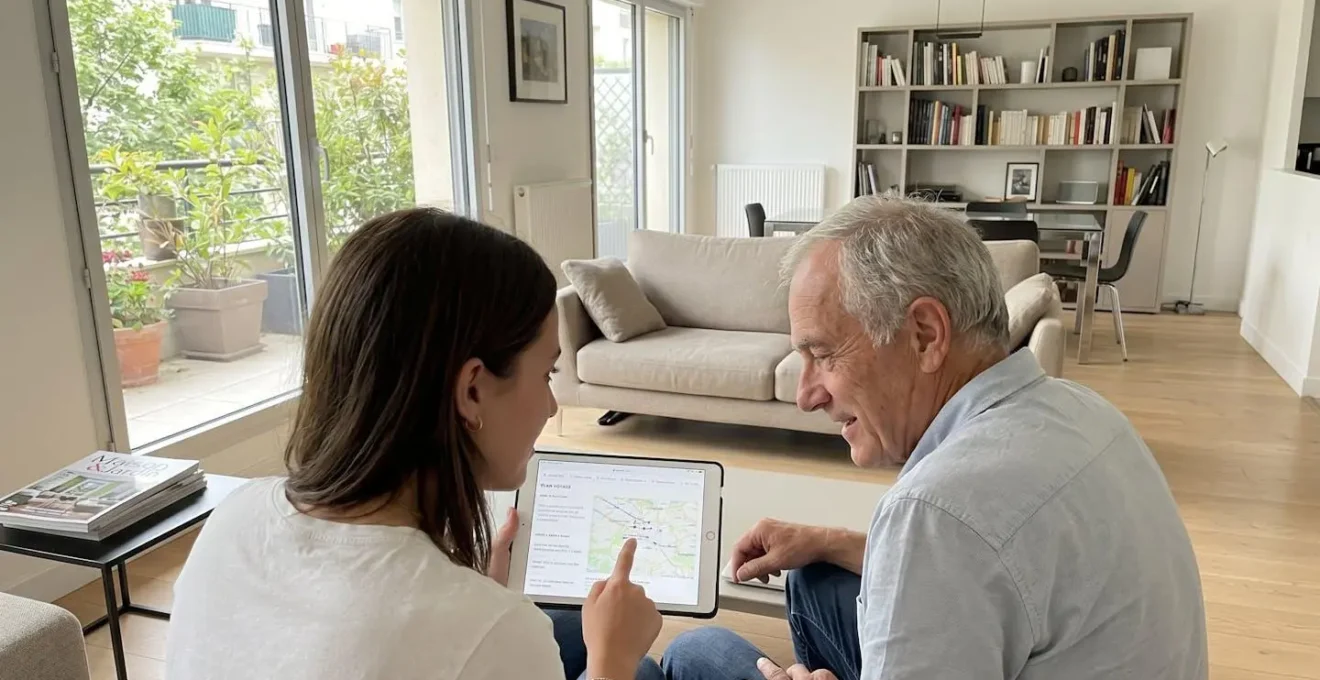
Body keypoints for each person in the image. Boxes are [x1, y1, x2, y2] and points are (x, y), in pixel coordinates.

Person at [661, 195, 1208, 680]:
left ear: (925, 335)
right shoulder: (1083, 408)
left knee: (697, 652)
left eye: (823, 355)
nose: (806, 394)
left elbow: (959, 540)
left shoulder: (936, 511)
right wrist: (828, 541)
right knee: (814, 577)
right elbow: (1000, 569)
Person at [165, 208, 664, 680]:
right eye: (547, 372)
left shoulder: (232, 517)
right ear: (472, 390)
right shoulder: (496, 632)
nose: (552, 406)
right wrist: (611, 663)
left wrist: (477, 593)